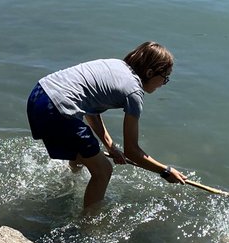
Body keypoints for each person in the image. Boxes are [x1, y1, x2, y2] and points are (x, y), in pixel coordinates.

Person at [26, 42, 187, 209]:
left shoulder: (116, 65)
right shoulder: (134, 93)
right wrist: (165, 171)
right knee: (103, 171)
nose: (163, 83)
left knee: (83, 152)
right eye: (165, 78)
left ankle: (69, 183)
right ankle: (88, 228)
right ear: (150, 72)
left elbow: (90, 110)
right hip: (59, 109)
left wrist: (110, 146)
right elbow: (132, 151)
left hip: (39, 95)